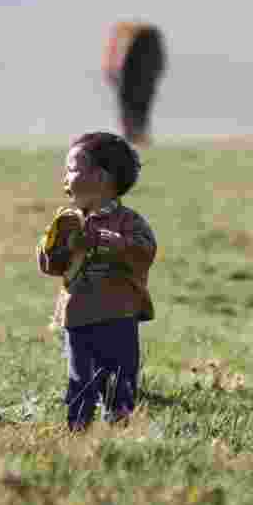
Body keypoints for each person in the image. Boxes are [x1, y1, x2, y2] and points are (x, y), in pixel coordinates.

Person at [36, 132, 157, 430]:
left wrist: (105, 241)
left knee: (119, 378)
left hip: (118, 316)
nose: (65, 177)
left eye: (72, 169)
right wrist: (53, 247)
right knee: (80, 378)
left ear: (102, 178)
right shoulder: (67, 220)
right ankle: (78, 429)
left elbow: (144, 251)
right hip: (76, 317)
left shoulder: (128, 221)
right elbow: (51, 265)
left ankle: (120, 425)